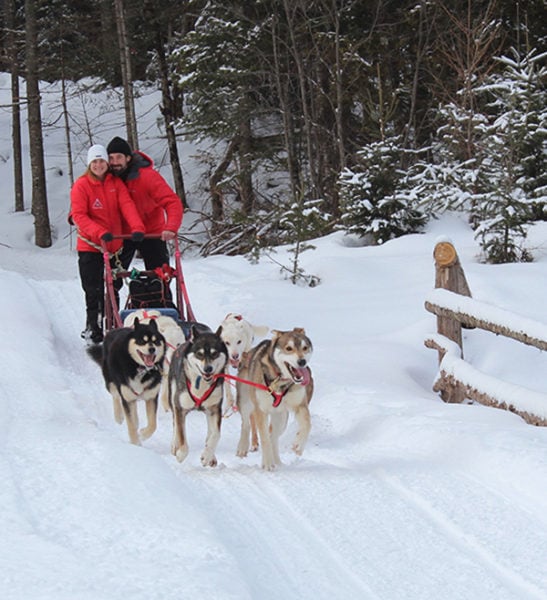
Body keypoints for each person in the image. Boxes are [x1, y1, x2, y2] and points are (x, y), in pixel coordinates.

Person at [70, 144, 145, 344]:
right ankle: (92, 325)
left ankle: (112, 322)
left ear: (106, 163)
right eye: (94, 161)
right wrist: (99, 232)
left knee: (114, 284)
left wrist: (136, 226)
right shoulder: (82, 185)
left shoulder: (115, 183)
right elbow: (79, 215)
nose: (98, 165)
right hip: (91, 245)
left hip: (114, 246)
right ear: (89, 164)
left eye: (101, 161)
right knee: (93, 287)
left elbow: (126, 205)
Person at [106, 136, 183, 276]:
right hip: (123, 234)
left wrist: (171, 227)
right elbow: (87, 193)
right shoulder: (107, 178)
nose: (114, 162)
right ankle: (111, 297)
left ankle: (161, 297)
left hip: (151, 232)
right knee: (113, 278)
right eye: (111, 158)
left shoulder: (147, 177)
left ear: (128, 158)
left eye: (119, 157)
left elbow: (172, 201)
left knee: (160, 276)